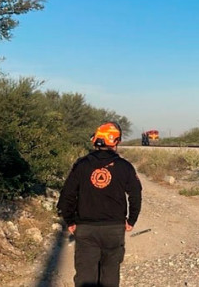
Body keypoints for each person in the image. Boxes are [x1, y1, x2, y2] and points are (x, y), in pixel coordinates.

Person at [57, 122, 143, 287]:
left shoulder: (81, 165)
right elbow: (136, 195)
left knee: (85, 276)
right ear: (115, 141)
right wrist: (131, 220)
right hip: (114, 229)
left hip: (86, 229)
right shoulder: (125, 166)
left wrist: (70, 221)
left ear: (96, 140)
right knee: (110, 273)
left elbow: (67, 195)